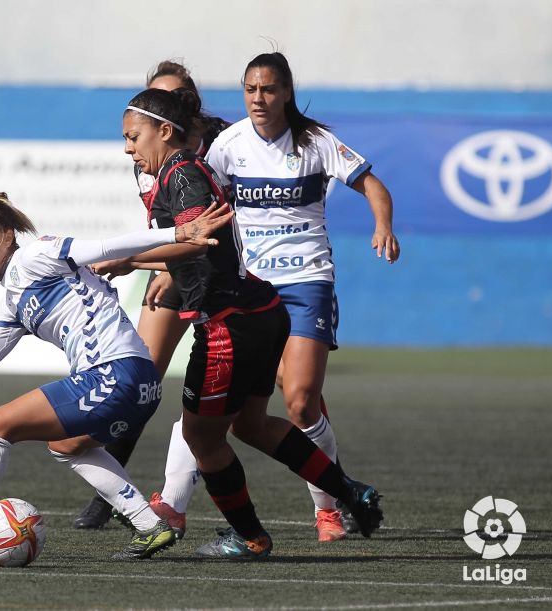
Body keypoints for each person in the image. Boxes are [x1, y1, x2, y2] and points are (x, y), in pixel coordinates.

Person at [0, 192, 234, 561]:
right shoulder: (13, 300)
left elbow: (108, 246)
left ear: (7, 235)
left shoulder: (36, 255)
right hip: (137, 383)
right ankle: (149, 525)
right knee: (66, 444)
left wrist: (178, 233)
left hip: (114, 374)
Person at [114, 86, 383, 559]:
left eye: (134, 137)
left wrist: (129, 259)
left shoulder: (181, 175)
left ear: (165, 131)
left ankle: (250, 537)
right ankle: (348, 491)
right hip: (259, 312)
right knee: (251, 425)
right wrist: (144, 264)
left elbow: (197, 243)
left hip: (229, 324)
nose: (128, 148)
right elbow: (199, 247)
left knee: (201, 437)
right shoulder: (183, 171)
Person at [204, 52, 401, 541]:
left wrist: (383, 225)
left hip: (307, 282)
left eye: (268, 89)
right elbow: (205, 209)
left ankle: (327, 510)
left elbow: (373, 185)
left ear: (287, 92)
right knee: (243, 415)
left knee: (299, 401)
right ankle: (345, 491)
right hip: (251, 290)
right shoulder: (228, 145)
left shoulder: (315, 142)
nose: (258, 98)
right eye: (250, 89)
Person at [73, 60, 230, 533]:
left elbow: (215, 225)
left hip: (224, 271)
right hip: (178, 265)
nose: (169, 103)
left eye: (177, 95)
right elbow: (165, 224)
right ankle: (110, 495)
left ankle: (333, 497)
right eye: (158, 95)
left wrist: (156, 262)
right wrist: (165, 267)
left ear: (188, 104)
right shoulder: (147, 153)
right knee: (140, 376)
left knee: (289, 393)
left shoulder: (223, 143)